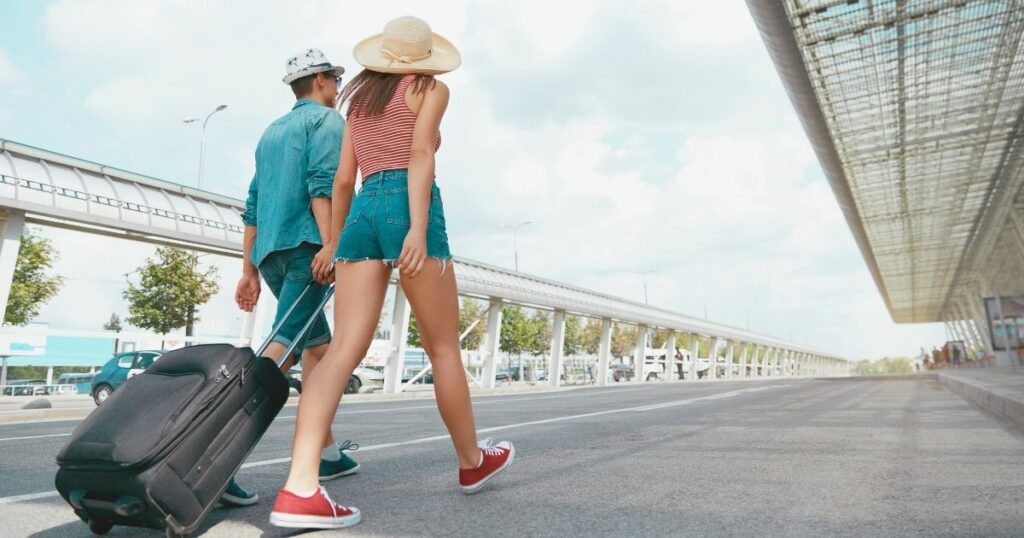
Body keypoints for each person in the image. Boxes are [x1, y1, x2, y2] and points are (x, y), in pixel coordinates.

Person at [268, 17, 515, 530]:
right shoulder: (430, 89)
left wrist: (335, 242)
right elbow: (421, 153)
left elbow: (342, 180)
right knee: (442, 346)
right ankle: (472, 463)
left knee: (340, 351)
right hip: (409, 205)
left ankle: (299, 487)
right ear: (423, 58)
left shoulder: (358, 101)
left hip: (361, 213)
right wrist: (418, 230)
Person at [230, 48, 360, 507]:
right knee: (279, 351)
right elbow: (323, 183)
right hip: (309, 250)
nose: (339, 89)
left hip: (270, 256)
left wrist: (248, 270)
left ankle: (325, 454)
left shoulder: (271, 132)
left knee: (319, 351)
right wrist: (331, 245)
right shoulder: (327, 122)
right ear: (323, 81)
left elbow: (253, 204)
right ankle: (217, 458)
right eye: (337, 81)